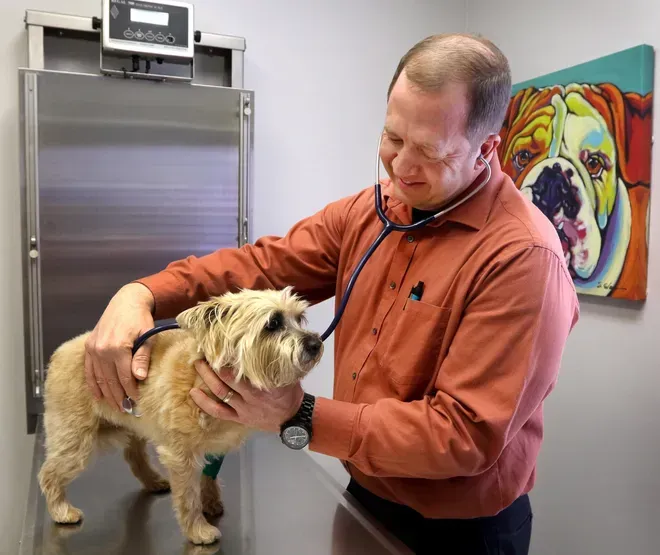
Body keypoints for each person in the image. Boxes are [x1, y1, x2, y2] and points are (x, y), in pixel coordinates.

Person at [84, 33, 579, 554]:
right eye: (392, 138)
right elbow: (258, 266)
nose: (400, 167)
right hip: (365, 492)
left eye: (429, 151)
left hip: (461, 532)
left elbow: (463, 435)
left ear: (486, 150)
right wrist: (142, 292)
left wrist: (296, 414)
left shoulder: (522, 259)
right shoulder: (371, 212)